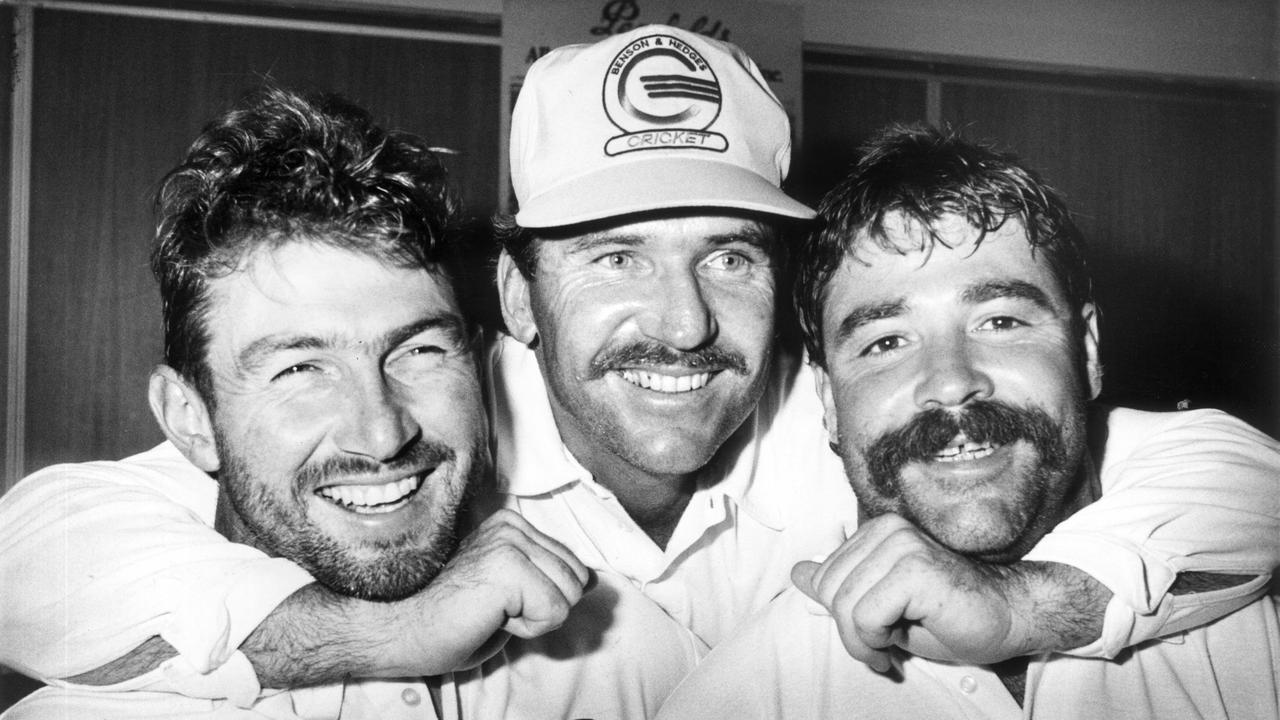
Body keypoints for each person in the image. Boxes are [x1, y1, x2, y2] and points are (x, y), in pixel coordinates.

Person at [1, 27, 1278, 720]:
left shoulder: (845, 416)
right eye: (612, 256)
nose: (678, 323)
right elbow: (42, 547)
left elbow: (1227, 473)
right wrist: (380, 633)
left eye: (728, 257)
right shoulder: (427, 416)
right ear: (513, 295)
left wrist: (1042, 606)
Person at [0, 86, 589, 719]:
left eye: (419, 352)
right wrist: (397, 635)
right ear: (187, 418)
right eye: (301, 368)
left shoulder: (603, 648)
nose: (382, 433)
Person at [654, 124, 1280, 719]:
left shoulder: (1251, 628)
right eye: (886, 342)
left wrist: (1021, 604)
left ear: (1087, 350)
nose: (951, 381)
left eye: (1001, 321)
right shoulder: (747, 698)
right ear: (826, 400)